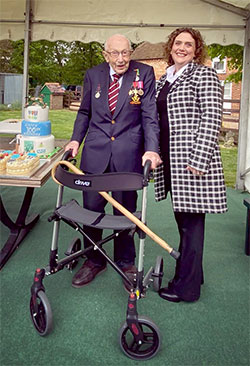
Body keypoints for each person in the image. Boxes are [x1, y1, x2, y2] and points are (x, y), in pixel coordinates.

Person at [65, 34, 161, 290]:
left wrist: (151, 149)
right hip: (95, 153)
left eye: (126, 53)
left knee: (124, 211)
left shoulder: (145, 73)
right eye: (115, 53)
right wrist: (76, 140)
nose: (121, 59)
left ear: (131, 52)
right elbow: (85, 111)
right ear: (106, 54)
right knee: (92, 209)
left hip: (128, 153)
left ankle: (125, 261)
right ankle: (93, 260)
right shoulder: (93, 74)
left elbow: (149, 113)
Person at [154, 27, 227, 303]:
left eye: (189, 44)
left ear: (197, 50)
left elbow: (211, 117)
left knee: (191, 226)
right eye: (178, 42)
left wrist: (199, 158)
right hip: (172, 163)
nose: (182, 47)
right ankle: (194, 273)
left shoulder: (203, 74)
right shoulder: (166, 78)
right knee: (183, 221)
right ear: (170, 46)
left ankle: (187, 288)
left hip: (192, 163)